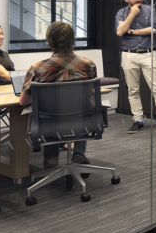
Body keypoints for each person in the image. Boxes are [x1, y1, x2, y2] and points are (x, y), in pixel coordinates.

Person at [18, 22, 98, 168]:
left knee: (47, 111)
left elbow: (24, 102)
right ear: (73, 40)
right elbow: (90, 93)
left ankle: (51, 160)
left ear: (49, 42)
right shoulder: (88, 64)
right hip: (83, 123)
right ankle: (79, 152)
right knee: (83, 108)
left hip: (50, 125)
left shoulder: (38, 68)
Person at [115, 0, 156, 134]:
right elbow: (120, 32)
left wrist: (131, 31)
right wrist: (132, 14)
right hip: (128, 54)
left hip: (148, 53)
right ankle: (138, 120)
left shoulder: (149, 10)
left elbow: (153, 30)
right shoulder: (122, 13)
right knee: (133, 90)